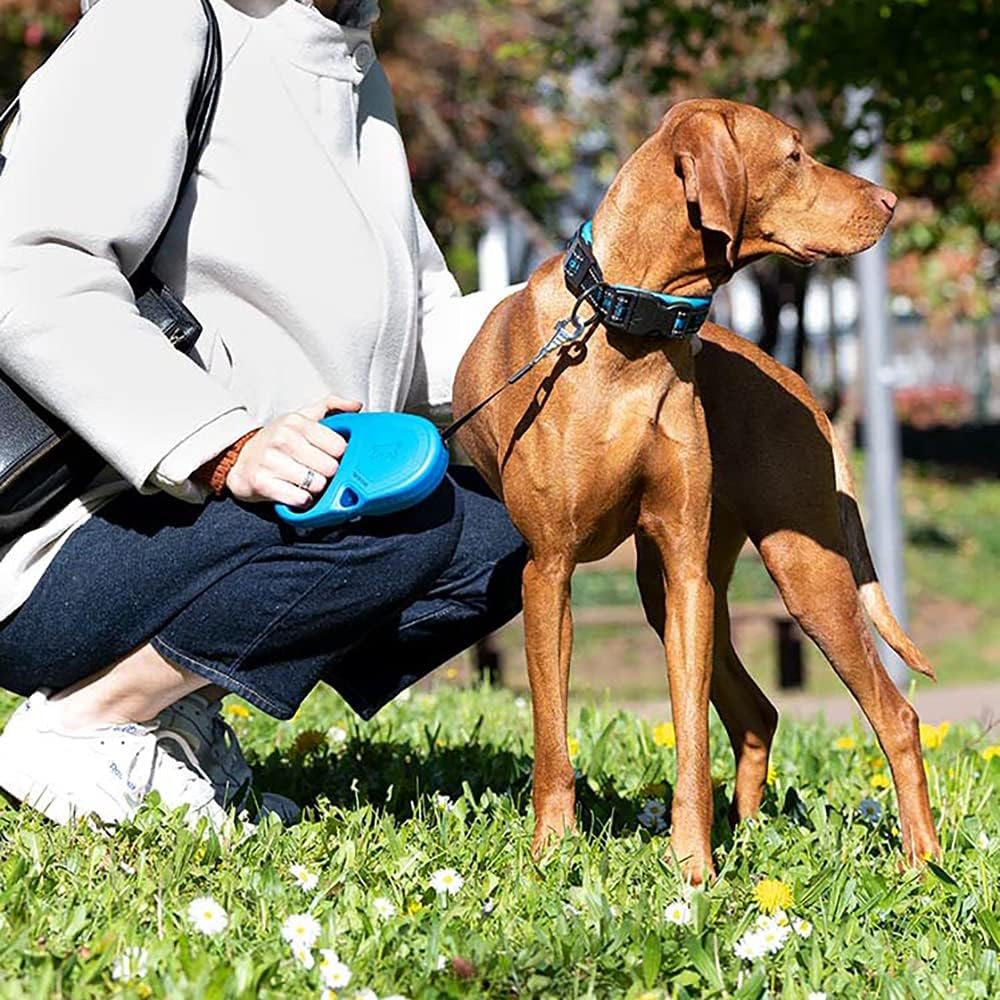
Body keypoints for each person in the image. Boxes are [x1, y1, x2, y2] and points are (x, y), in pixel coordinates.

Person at [0, 0, 526, 827]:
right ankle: (80, 725)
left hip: (198, 523)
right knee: (400, 522)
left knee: (520, 516)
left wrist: (583, 328)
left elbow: (415, 332)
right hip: (60, 534)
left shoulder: (351, 67)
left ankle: (168, 718)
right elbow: (30, 268)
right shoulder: (162, 20)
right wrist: (223, 446)